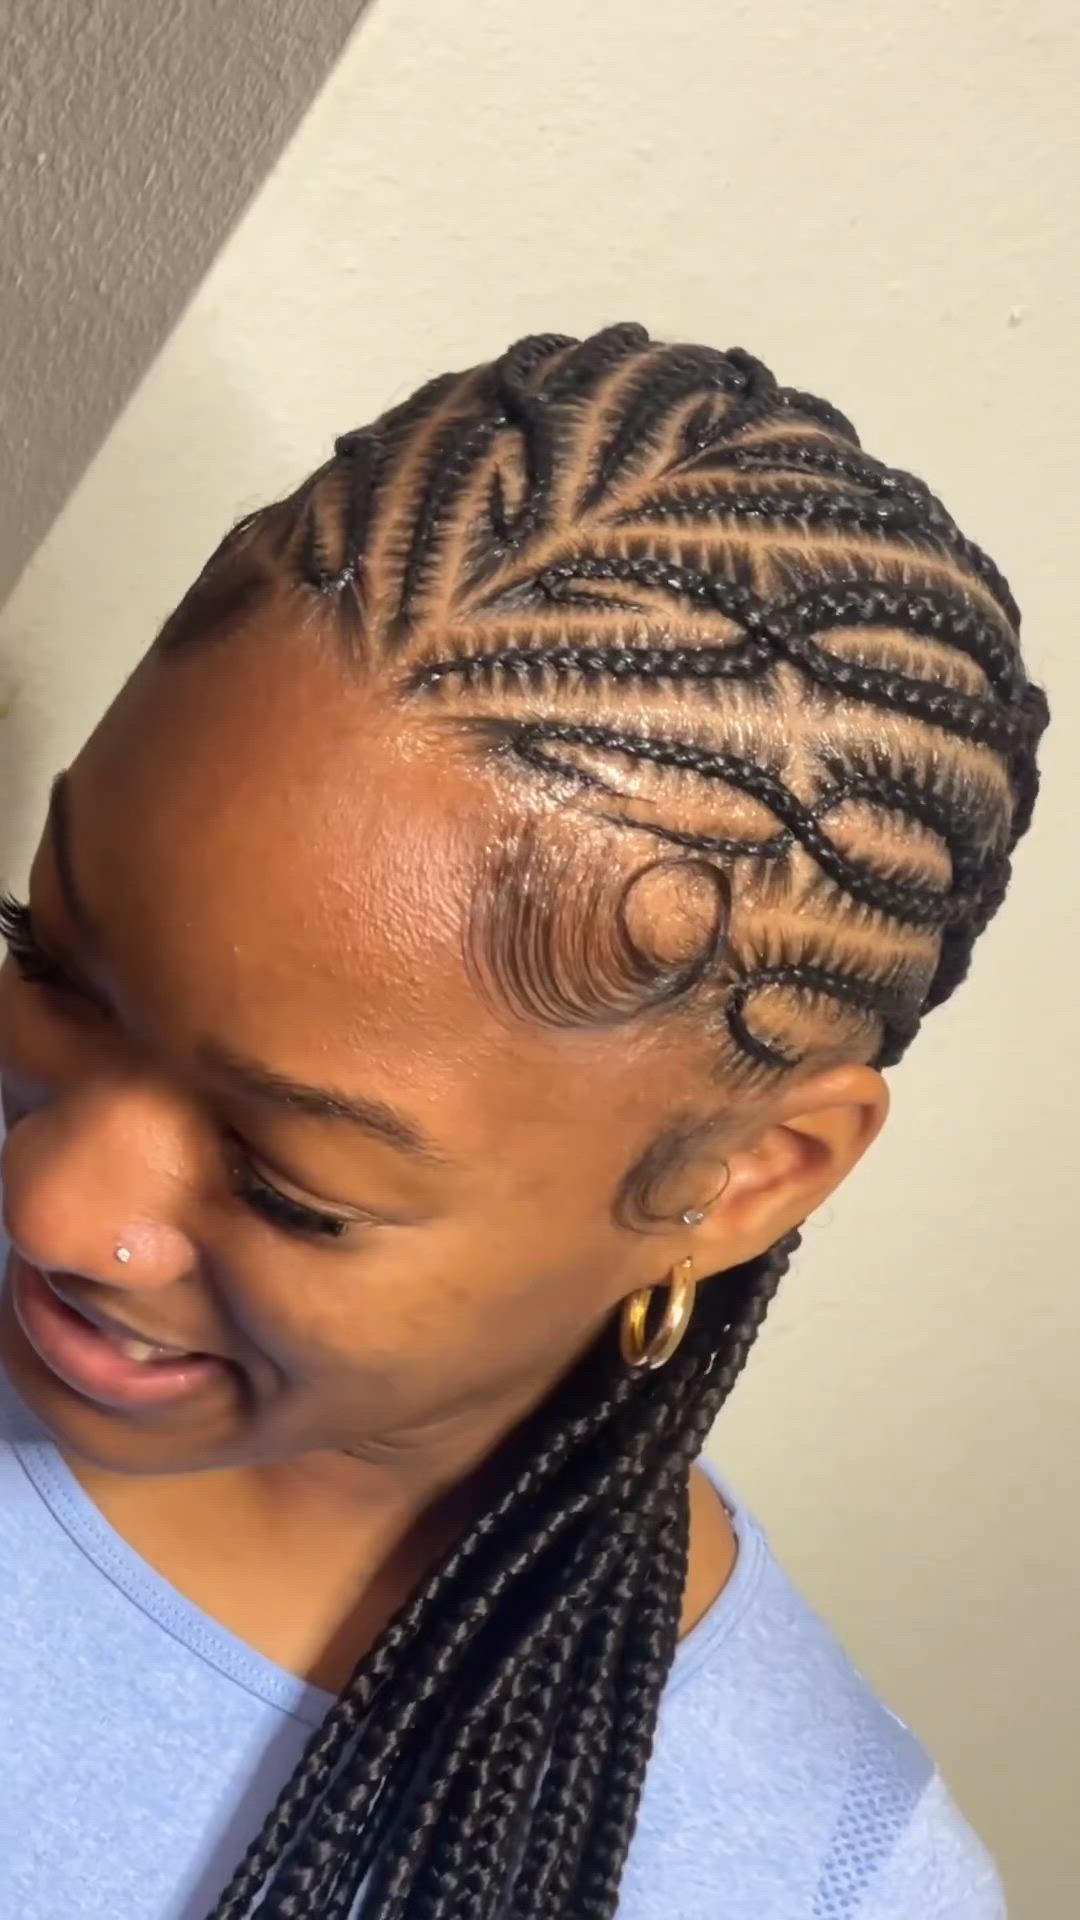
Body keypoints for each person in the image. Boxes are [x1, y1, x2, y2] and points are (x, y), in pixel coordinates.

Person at [0, 324, 1047, 1920]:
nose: (53, 1203)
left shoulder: (807, 1881)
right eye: (54, 969)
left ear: (745, 1178)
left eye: (291, 1185)